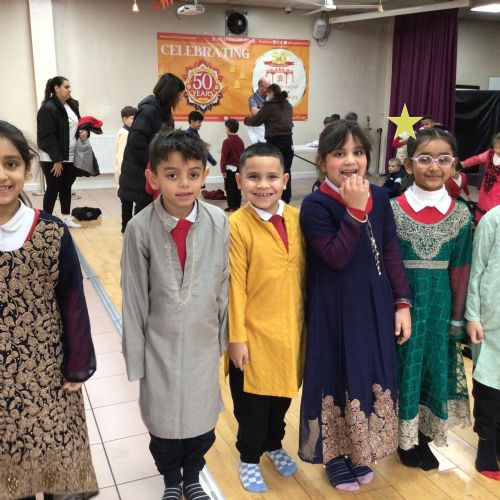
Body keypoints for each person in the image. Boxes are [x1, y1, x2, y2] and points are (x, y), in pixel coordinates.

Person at [298, 120, 412, 492]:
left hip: (374, 303)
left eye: (358, 152)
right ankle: (334, 456)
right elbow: (336, 257)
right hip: (334, 308)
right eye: (339, 153)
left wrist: (401, 302)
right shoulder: (315, 205)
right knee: (336, 372)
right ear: (322, 161)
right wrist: (353, 211)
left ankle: (358, 450)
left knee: (366, 371)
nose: (350, 161)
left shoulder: (379, 196)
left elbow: (391, 250)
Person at [121, 129, 229, 500]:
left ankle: (193, 477)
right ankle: (171, 479)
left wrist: (224, 342)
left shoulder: (218, 222)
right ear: (153, 178)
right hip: (159, 346)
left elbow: (225, 285)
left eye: (193, 174)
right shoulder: (139, 229)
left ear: (204, 176)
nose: (184, 183)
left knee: (202, 420)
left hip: (203, 343)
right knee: (162, 422)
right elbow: (134, 297)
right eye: (172, 174)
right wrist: (137, 358)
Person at [0, 120, 98, 499]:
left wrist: (77, 365)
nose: (2, 175)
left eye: (11, 164)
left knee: (57, 458)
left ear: (27, 169)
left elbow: (72, 301)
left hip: (49, 376)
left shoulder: (51, 232)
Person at [392, 127, 473, 471]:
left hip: (439, 307)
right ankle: (399, 438)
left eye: (443, 159)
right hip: (400, 307)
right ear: (409, 164)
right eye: (424, 158)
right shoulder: (391, 210)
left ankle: (421, 437)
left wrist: (457, 317)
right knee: (402, 367)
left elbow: (461, 269)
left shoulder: (461, 214)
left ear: (454, 165)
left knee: (432, 368)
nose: (434, 166)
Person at [228, 142, 305, 493]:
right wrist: (236, 338)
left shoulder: (297, 219)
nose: (263, 185)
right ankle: (248, 457)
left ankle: (274, 444)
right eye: (253, 177)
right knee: (253, 406)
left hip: (290, 332)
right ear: (239, 181)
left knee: (282, 398)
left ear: (285, 180)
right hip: (253, 335)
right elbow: (234, 288)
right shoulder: (237, 226)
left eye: (272, 177)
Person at [118, 72, 185, 233]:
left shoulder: (164, 110)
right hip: (139, 171)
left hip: (150, 169)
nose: (181, 99)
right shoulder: (149, 110)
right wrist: (154, 162)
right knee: (141, 214)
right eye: (179, 95)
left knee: (147, 215)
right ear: (171, 93)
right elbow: (136, 141)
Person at [465, 205, 500, 481]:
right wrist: (473, 315)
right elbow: (475, 270)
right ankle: (486, 442)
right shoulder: (493, 220)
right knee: (489, 386)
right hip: (492, 321)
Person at [37, 76, 82, 228]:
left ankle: (66, 218)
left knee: (66, 187)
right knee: (53, 188)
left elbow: (79, 124)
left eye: (70, 87)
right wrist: (56, 159)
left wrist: (84, 132)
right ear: (56, 88)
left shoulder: (72, 105)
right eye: (66, 87)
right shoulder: (47, 108)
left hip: (70, 154)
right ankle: (46, 221)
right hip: (52, 157)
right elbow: (48, 136)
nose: (70, 90)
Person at [244, 83, 294, 203]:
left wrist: (246, 120)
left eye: (267, 94)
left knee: (272, 172)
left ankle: (272, 198)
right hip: (288, 142)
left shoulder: (269, 105)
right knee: (286, 171)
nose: (267, 97)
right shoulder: (288, 105)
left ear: (271, 93)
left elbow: (257, 120)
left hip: (274, 143)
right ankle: (286, 199)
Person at [462, 132, 500, 224]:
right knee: (483, 205)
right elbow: (477, 159)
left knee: (494, 210)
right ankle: (479, 223)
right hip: (486, 187)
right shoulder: (490, 153)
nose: (497, 150)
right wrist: (463, 164)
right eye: (495, 147)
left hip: (498, 191)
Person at [220, 118, 244, 212]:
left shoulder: (227, 141)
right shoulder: (240, 140)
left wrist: (223, 170)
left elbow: (224, 157)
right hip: (239, 169)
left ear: (228, 128)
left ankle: (231, 207)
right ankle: (237, 205)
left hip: (229, 169)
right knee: (237, 188)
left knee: (229, 189)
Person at [114, 105, 137, 188]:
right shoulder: (125, 134)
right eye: (132, 118)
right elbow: (121, 156)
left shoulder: (126, 131)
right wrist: (122, 174)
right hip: (124, 174)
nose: (135, 121)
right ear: (124, 120)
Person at [246, 76, 270, 144]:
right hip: (260, 132)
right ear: (260, 86)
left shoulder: (270, 96)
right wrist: (270, 108)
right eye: (267, 88)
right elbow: (254, 112)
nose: (269, 90)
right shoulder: (253, 98)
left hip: (271, 132)